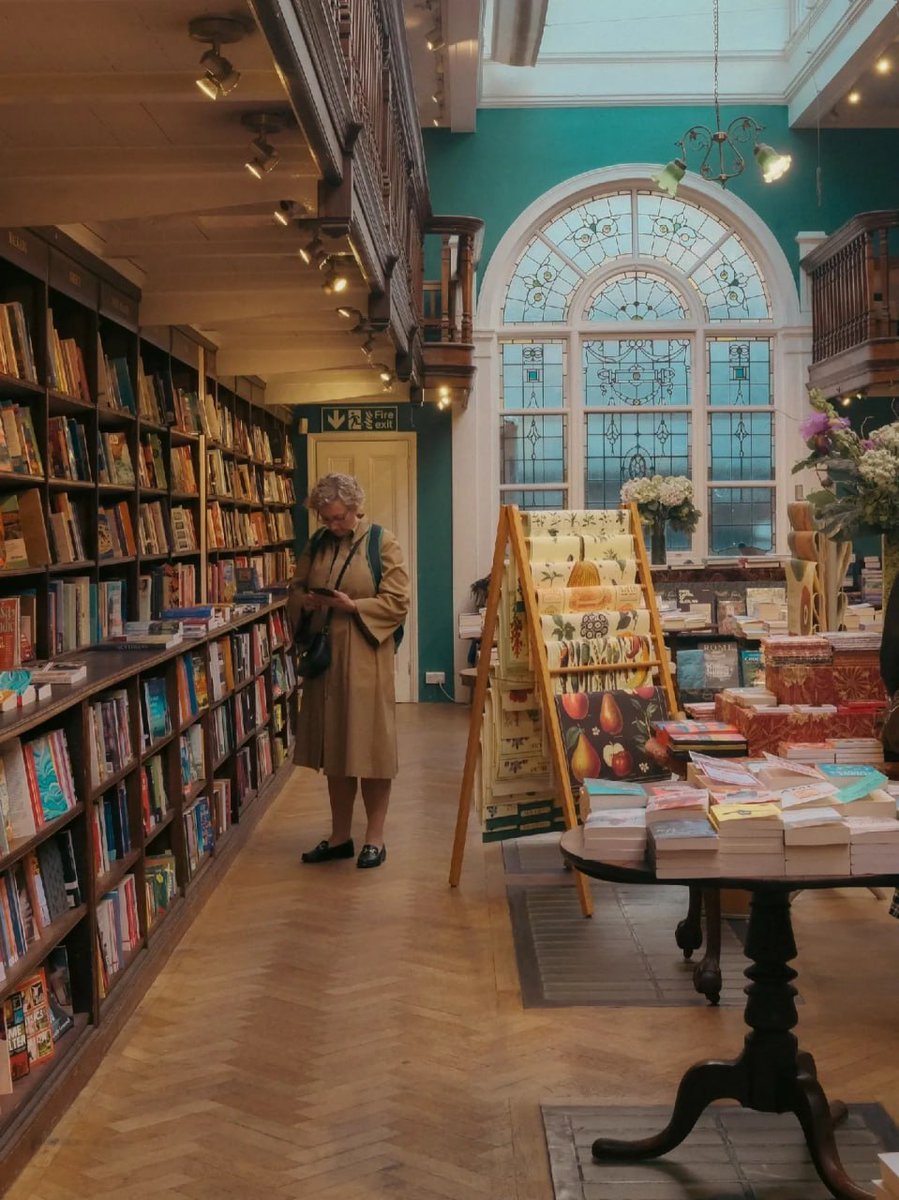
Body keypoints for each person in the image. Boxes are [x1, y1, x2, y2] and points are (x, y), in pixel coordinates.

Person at [288, 473, 409, 869]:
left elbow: (398, 602)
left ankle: (375, 838)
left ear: (355, 508)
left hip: (365, 659)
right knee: (335, 748)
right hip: (326, 661)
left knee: (371, 749)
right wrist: (306, 603)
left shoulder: (382, 542)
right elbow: (295, 588)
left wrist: (353, 606)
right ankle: (340, 836)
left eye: (338, 517)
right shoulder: (318, 543)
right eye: (325, 518)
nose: (333, 525)